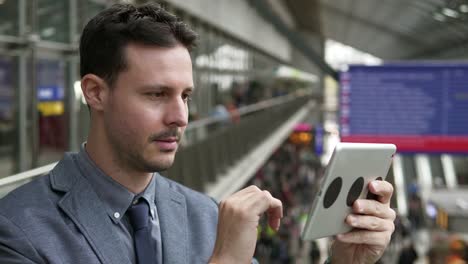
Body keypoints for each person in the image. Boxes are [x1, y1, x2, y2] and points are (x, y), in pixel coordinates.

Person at [0, 3, 396, 264]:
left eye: (186, 95)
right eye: (156, 94)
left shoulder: (206, 215)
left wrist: (345, 260)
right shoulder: (19, 230)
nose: (180, 116)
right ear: (95, 93)